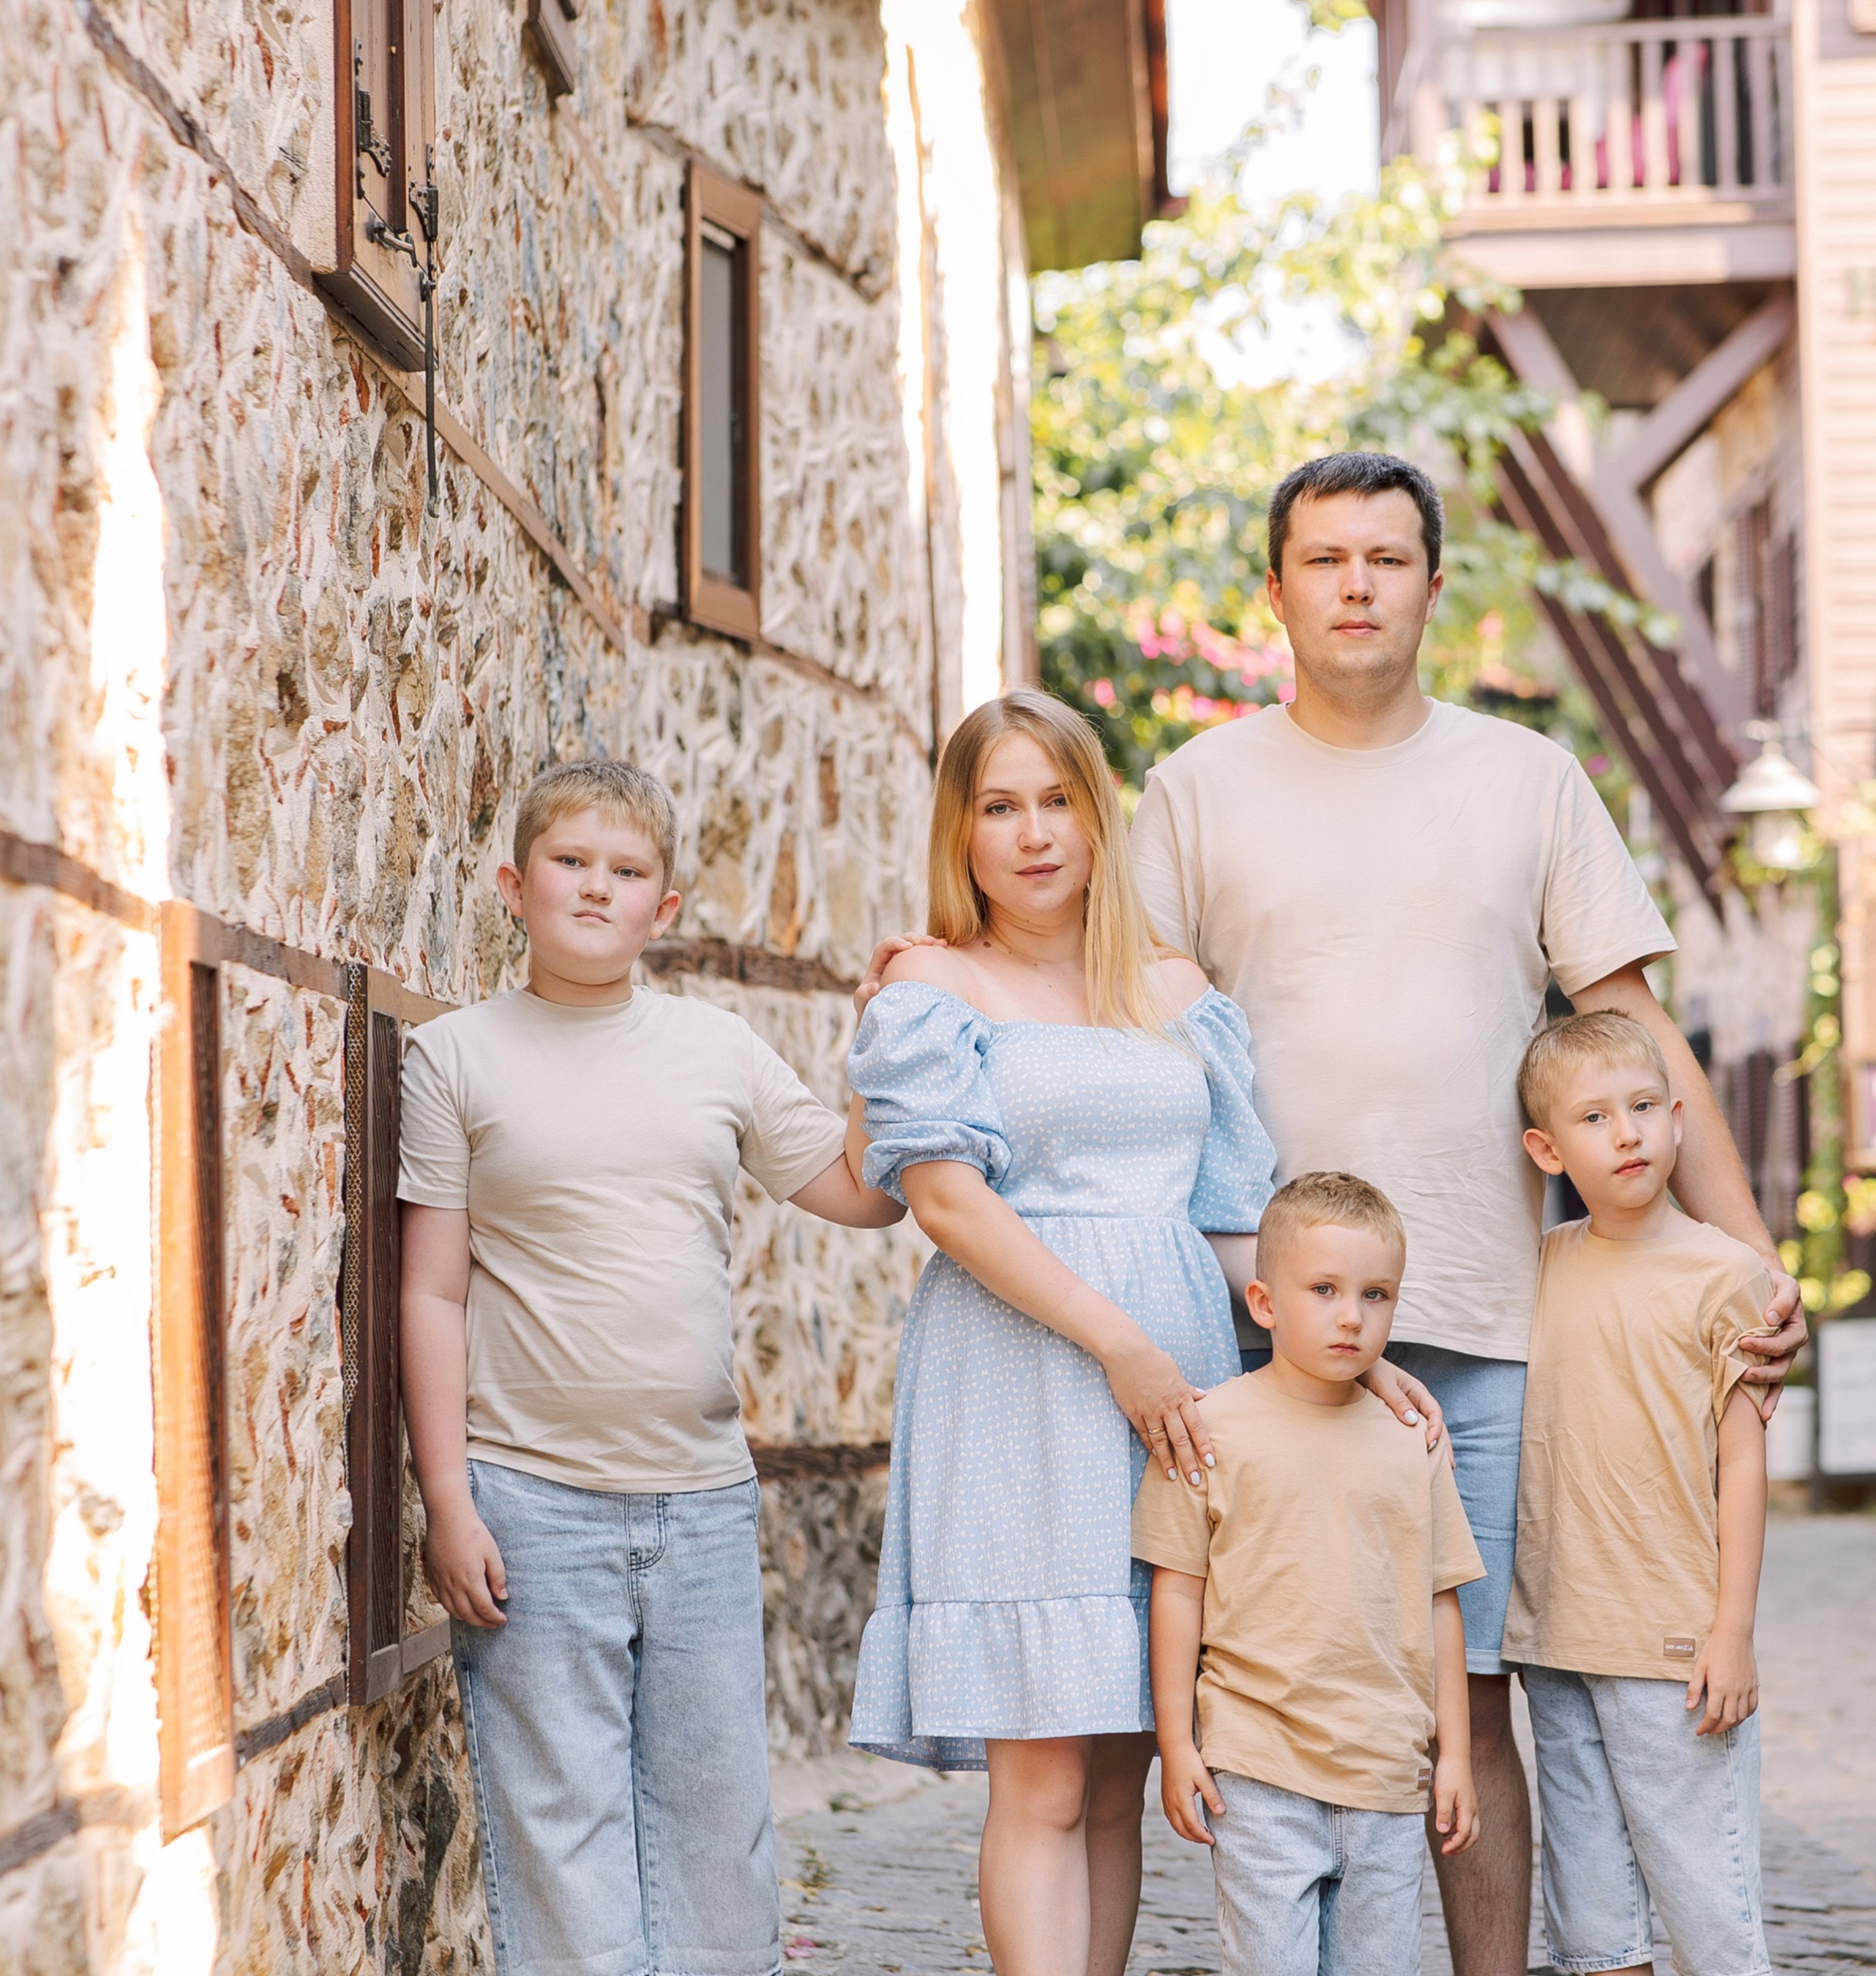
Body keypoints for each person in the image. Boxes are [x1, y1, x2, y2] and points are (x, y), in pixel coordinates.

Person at [1128, 449, 1806, 1974]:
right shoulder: (1194, 791)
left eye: (1386, 557)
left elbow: (1633, 1032)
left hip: (1498, 1319)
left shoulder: (1528, 778)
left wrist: (1756, 1267)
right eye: (1325, 559)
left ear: (1435, 586)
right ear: (1277, 591)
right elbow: (1128, 1033)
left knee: (1472, 1691)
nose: (1356, 585)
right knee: (1289, 1683)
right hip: (1272, 1331)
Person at [396, 759, 904, 1976]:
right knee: (560, 1835)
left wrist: (884, 1039)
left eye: (625, 872)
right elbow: (430, 1291)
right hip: (529, 1502)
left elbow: (863, 1192)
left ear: (662, 909)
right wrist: (449, 1501)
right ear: (513, 886)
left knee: (718, 1837)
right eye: (570, 862)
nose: (596, 888)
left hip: (702, 1503)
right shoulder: (455, 1058)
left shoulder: (716, 1051)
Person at [841, 688, 1290, 1976]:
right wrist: (1116, 1343)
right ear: (961, 832)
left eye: (1057, 801)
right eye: (1000, 807)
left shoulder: (1176, 991)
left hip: (1180, 1388)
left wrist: (1332, 1365)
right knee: (1041, 1773)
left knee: (1120, 1772)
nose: (1034, 834)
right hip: (1018, 1380)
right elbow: (941, 1199)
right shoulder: (934, 984)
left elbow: (1232, 1221)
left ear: (1100, 819)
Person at [1137, 1172, 1484, 1976]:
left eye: (1375, 1294)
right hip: (1258, 1769)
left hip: (1386, 1774)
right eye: (1324, 1289)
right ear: (1263, 1302)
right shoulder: (1209, 1429)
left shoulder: (1412, 1439)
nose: (1351, 1315)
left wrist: (1456, 1755)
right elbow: (1177, 1591)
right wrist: (1176, 1742)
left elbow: (1441, 1601)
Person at [1505, 1009, 1772, 1976]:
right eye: (1594, 1117)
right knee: (1593, 1925)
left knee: (1709, 1907)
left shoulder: (1724, 1273)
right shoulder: (1537, 1268)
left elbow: (1743, 1463)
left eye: (1644, 1106)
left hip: (1672, 1647)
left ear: (1676, 1119)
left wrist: (1731, 1629)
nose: (1626, 1133)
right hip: (1555, 1638)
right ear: (1546, 1149)